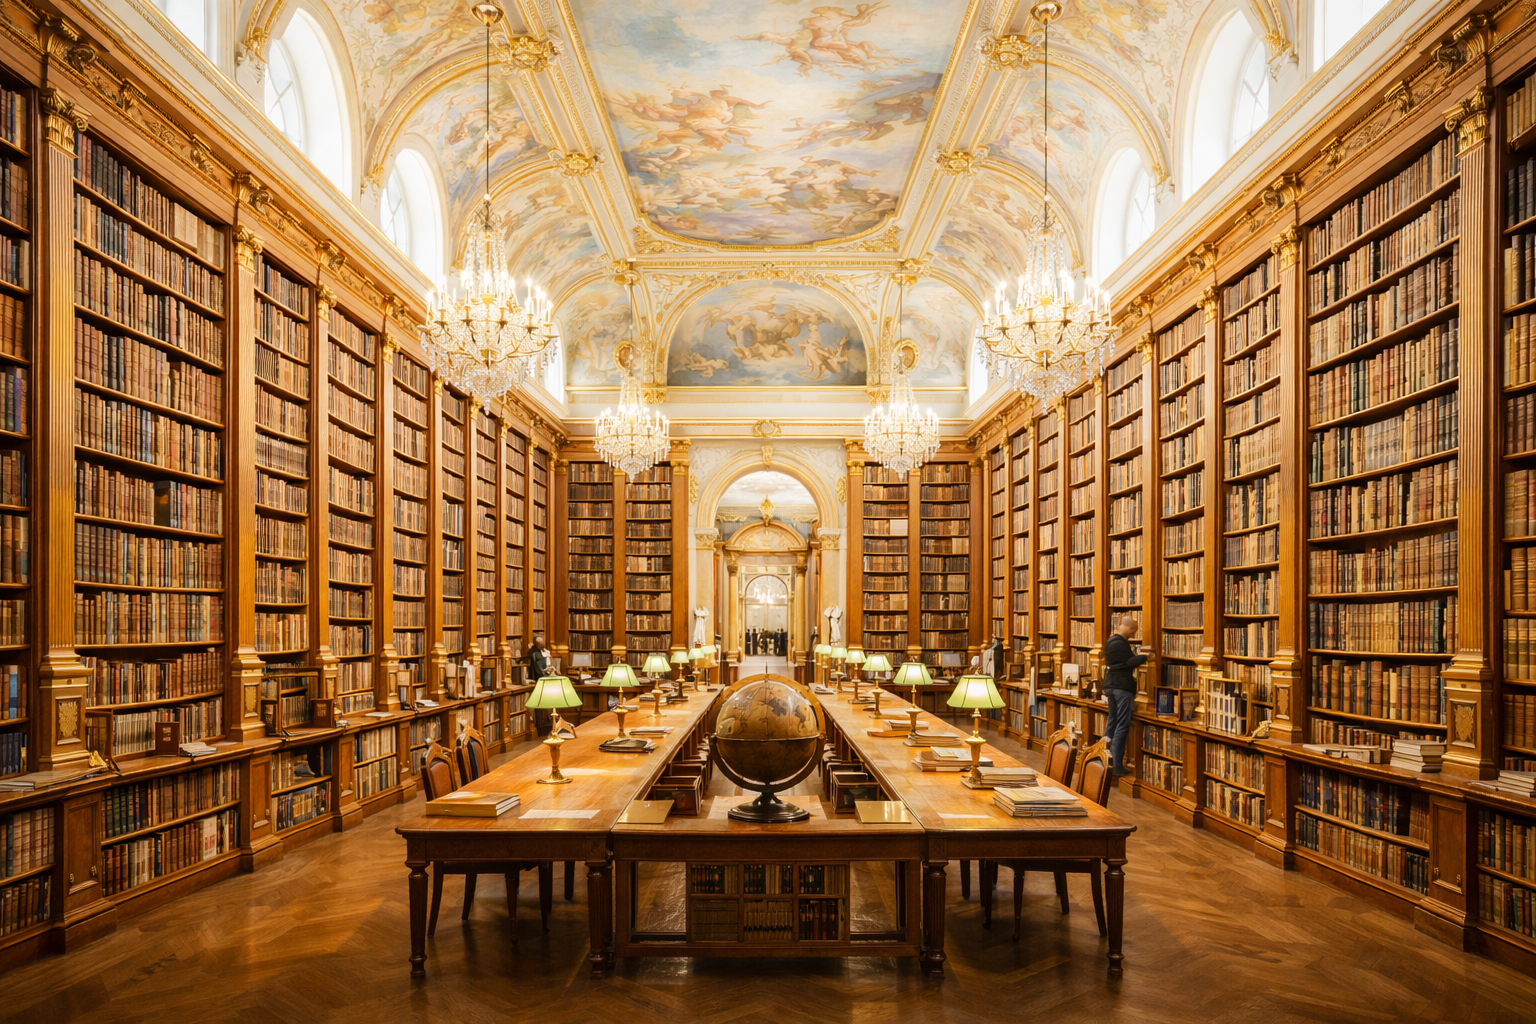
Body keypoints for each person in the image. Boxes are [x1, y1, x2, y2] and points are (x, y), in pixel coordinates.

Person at [1103, 615, 1150, 777]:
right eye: (1133, 630)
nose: (1134, 634)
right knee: (1122, 725)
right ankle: (1116, 765)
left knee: (1112, 723)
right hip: (1120, 687)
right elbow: (1130, 662)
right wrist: (1146, 656)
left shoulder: (1113, 641)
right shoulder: (1118, 643)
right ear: (1126, 627)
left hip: (1112, 686)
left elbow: (1122, 663)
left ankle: (1103, 759)